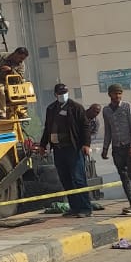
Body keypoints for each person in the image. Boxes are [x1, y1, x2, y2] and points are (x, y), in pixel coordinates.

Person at [38, 83, 92, 217]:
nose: (63, 95)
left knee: (78, 179)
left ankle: (85, 208)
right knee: (66, 179)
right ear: (55, 95)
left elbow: (85, 127)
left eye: (65, 93)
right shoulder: (51, 109)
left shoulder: (76, 107)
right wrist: (43, 145)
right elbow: (47, 128)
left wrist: (86, 144)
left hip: (73, 149)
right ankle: (74, 207)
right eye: (60, 93)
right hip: (58, 150)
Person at [100, 84, 131, 213]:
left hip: (129, 146)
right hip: (117, 148)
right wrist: (105, 148)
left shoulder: (128, 107)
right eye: (115, 93)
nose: (118, 96)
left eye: (120, 93)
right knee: (123, 175)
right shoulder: (106, 110)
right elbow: (108, 130)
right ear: (110, 94)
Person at [0, 47, 30, 117]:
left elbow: (19, 78)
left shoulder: (21, 65)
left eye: (23, 59)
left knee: (0, 89)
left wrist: (10, 70)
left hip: (11, 84)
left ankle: (3, 113)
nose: (21, 60)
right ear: (15, 53)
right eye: (21, 58)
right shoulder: (1, 56)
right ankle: (0, 112)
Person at [83, 103, 106, 209]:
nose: (96, 114)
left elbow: (94, 134)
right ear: (90, 109)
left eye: (98, 112)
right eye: (95, 111)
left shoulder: (96, 122)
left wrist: (87, 141)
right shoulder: (81, 115)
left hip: (86, 145)